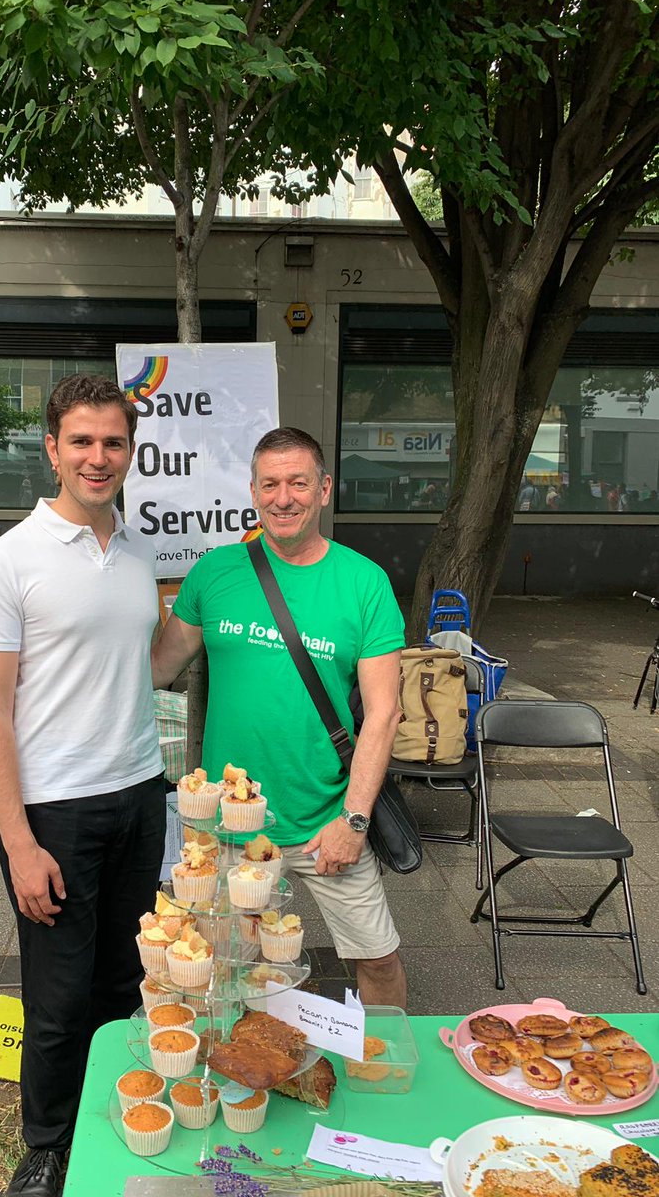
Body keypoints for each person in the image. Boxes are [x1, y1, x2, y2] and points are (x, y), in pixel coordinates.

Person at [0, 374, 165, 1197]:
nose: (97, 456)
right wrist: (19, 842)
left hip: (140, 795)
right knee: (55, 998)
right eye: (81, 441)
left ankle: (114, 1113)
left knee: (124, 983)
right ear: (51, 448)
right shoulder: (8, 559)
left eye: (112, 442)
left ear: (129, 452)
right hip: (53, 811)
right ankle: (46, 1147)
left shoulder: (138, 554)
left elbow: (138, 670)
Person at [152, 426, 407, 1007]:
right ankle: (243, 1081)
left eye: (298, 483)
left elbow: (385, 713)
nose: (283, 497)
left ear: (324, 489)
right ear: (252, 491)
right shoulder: (214, 574)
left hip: (328, 823)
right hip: (227, 830)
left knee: (379, 960)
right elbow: (155, 668)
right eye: (270, 484)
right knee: (223, 969)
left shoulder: (363, 582)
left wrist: (355, 820)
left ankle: (384, 1082)